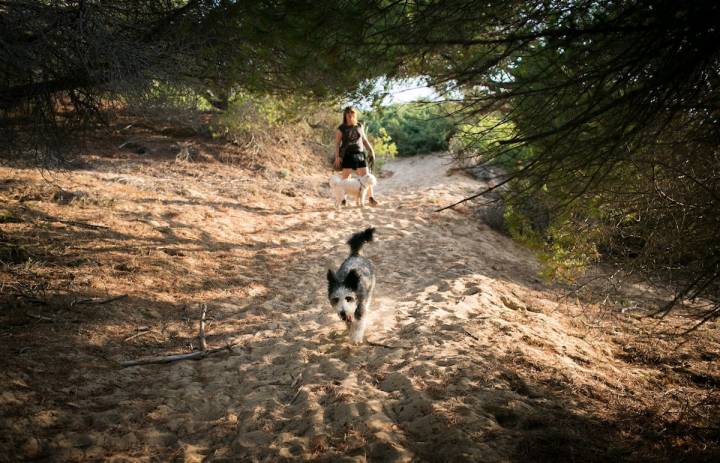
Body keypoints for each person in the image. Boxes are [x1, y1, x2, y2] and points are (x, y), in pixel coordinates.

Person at [334, 106, 378, 206]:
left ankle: (371, 198)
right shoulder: (341, 128)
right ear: (345, 115)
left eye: (352, 113)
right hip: (347, 155)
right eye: (348, 113)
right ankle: (343, 199)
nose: (350, 115)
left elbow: (365, 140)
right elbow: (337, 144)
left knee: (366, 177)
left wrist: (371, 151)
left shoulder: (359, 126)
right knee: (345, 178)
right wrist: (337, 157)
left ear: (355, 114)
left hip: (360, 154)